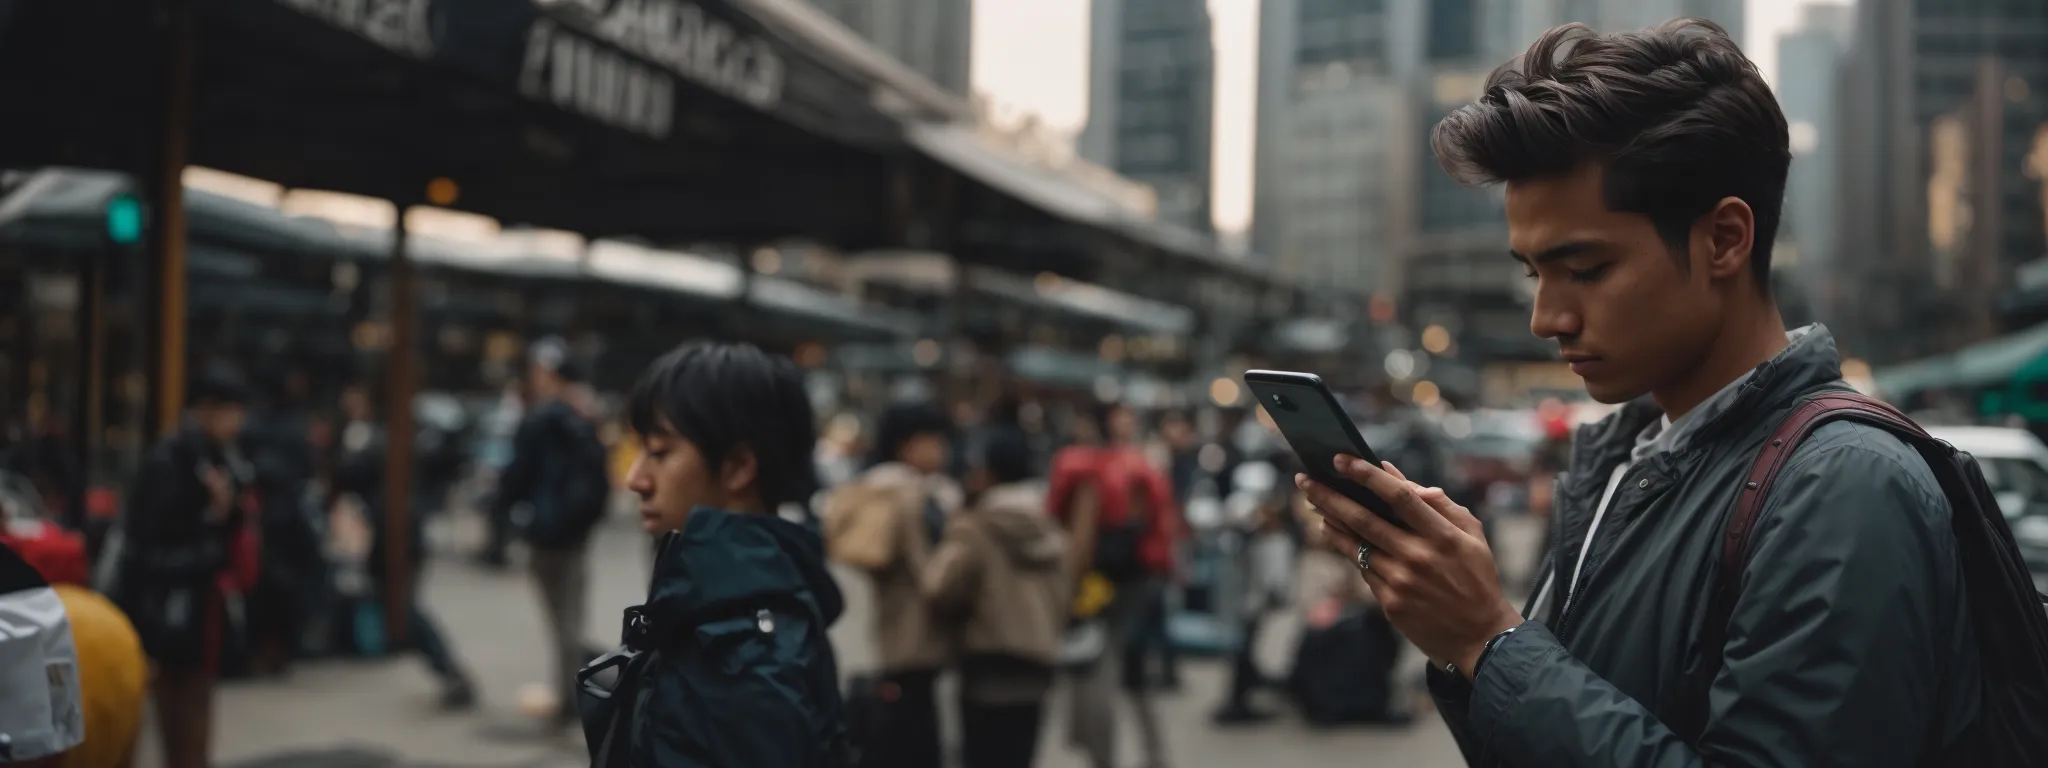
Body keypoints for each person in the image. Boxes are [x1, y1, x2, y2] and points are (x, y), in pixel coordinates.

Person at [1298, 19, 1981, 767]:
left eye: (1584, 269)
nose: (1545, 317)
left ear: (1724, 239)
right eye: (1534, 272)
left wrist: (1489, 641)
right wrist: (1471, 649)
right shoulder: (1623, 460)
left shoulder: (1846, 486)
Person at [597, 340, 848, 765]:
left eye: (660, 453)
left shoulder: (741, 651)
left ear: (737, 467)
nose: (637, 479)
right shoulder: (726, 608)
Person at [109, 365, 259, 768]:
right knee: (175, 721)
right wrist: (209, 545)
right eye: (232, 411)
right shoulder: (172, 461)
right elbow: (145, 548)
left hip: (196, 611)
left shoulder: (217, 458)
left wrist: (225, 514)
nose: (237, 423)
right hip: (164, 611)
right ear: (206, 410)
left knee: (193, 717)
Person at [823, 401, 960, 768]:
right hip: (908, 645)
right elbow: (929, 574)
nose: (942, 450)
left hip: (873, 648)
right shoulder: (912, 497)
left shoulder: (865, 490)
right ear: (906, 445)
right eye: (934, 441)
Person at [922, 426, 1069, 768]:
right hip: (1037, 667)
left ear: (988, 473)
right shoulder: (1049, 525)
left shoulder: (977, 527)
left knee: (982, 756)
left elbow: (939, 588)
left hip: (986, 666)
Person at [1047, 401, 1177, 768]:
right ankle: (1154, 755)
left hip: (1101, 581)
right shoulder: (1144, 465)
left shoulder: (1080, 467)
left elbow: (1073, 530)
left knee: (1099, 667)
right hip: (1142, 578)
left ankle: (1103, 758)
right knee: (1132, 669)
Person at [330, 385, 477, 709]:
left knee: (404, 608)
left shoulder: (380, 439)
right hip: (396, 531)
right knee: (399, 605)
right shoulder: (394, 437)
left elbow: (348, 473)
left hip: (398, 534)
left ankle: (449, 670)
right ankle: (442, 666)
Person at [488, 337, 609, 728]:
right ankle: (575, 691)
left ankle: (572, 696)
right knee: (571, 615)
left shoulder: (540, 419)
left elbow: (516, 477)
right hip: (575, 534)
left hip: (545, 532)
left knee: (561, 620)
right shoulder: (585, 415)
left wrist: (503, 519)